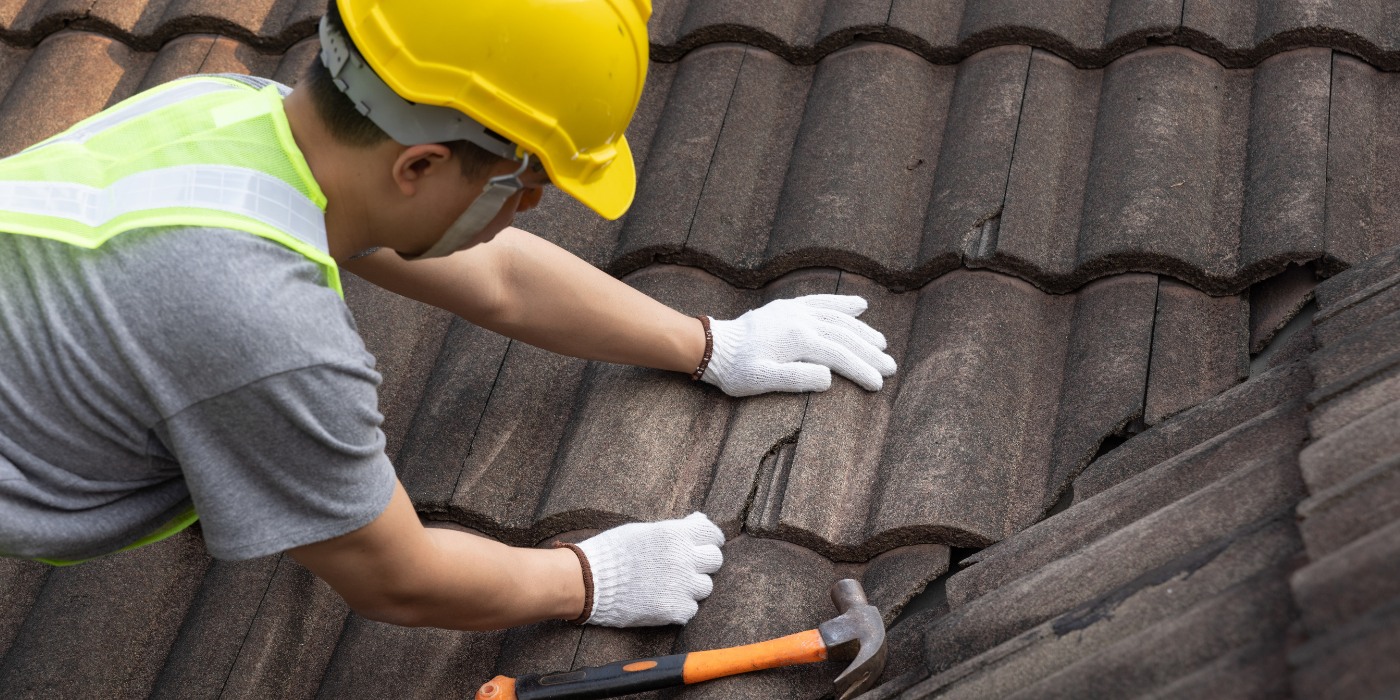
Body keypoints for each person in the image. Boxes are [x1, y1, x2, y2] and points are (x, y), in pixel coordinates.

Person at [0, 0, 896, 631]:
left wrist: (710, 344)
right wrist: (586, 578)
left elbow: (498, 277)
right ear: (419, 166)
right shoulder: (265, 332)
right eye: (524, 183)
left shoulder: (229, 113)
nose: (531, 208)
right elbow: (399, 578)